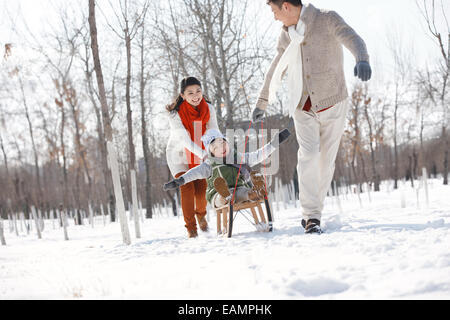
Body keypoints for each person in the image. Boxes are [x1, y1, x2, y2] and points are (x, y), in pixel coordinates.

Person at [252, 0, 372, 234]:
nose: (275, 17)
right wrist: (262, 102)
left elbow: (352, 38)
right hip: (302, 106)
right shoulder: (286, 35)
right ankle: (311, 217)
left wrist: (362, 58)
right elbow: (277, 67)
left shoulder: (326, 18)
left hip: (333, 103)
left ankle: (315, 209)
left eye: (275, 11)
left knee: (325, 162)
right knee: (308, 156)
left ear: (286, 6)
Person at [163, 128, 291, 210]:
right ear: (211, 152)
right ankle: (224, 197)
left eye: (223, 143)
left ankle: (255, 192)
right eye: (216, 147)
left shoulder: (239, 157)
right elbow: (194, 173)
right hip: (216, 193)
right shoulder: (208, 165)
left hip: (237, 189)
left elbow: (258, 155)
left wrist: (275, 142)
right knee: (222, 196)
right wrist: (180, 180)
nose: (221, 148)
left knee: (242, 192)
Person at [166, 77, 219, 238]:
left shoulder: (208, 108)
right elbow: (185, 141)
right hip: (179, 154)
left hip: (202, 150)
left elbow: (214, 132)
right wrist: (203, 154)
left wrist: (218, 149)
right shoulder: (175, 114)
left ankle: (201, 214)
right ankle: (191, 228)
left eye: (198, 91)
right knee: (187, 187)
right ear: (183, 95)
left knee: (202, 190)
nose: (195, 95)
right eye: (190, 93)